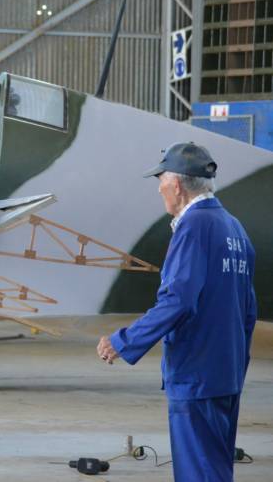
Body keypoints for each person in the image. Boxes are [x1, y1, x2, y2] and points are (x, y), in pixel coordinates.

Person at [97, 142, 257, 481]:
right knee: (215, 466)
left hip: (196, 374)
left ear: (178, 186)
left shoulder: (193, 227)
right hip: (225, 372)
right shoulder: (235, 229)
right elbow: (248, 310)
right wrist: (235, 365)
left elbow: (178, 300)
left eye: (161, 181)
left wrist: (123, 341)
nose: (158, 189)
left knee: (198, 471)